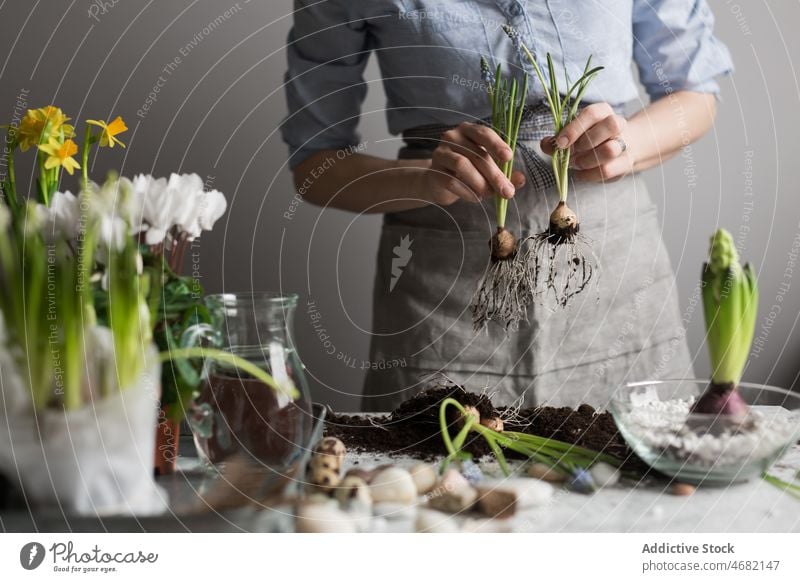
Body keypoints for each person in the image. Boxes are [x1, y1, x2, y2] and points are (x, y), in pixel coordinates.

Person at [282, 1, 732, 412]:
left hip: (613, 269)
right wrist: (423, 178)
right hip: (448, 285)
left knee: (637, 471)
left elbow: (695, 91)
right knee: (446, 474)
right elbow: (315, 164)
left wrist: (627, 144)